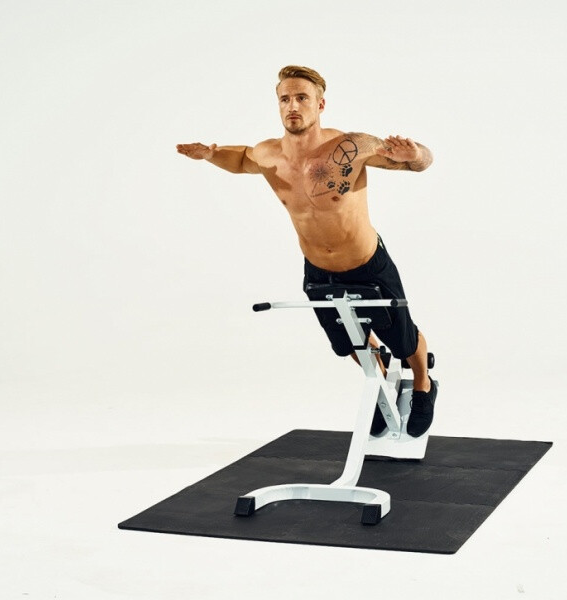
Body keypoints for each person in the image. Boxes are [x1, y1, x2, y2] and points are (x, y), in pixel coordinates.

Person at [177, 65, 437, 437]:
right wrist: (210, 154)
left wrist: (417, 152)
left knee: (404, 341)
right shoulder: (269, 154)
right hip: (318, 270)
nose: (293, 106)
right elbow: (240, 159)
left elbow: (418, 164)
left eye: (302, 98)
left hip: (368, 263)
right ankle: (381, 385)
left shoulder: (353, 146)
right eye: (285, 99)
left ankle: (424, 386)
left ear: (320, 104)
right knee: (348, 342)